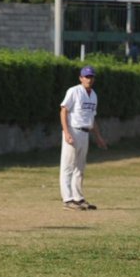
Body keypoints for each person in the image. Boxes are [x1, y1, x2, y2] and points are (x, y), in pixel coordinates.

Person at [59, 65, 107, 211]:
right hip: (73, 130)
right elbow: (63, 111)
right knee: (68, 166)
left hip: (85, 132)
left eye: (91, 77)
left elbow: (92, 118)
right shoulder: (74, 91)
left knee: (80, 167)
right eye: (86, 77)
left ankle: (78, 198)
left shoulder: (93, 95)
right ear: (81, 78)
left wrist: (98, 137)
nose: (89, 79)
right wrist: (66, 132)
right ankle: (67, 200)